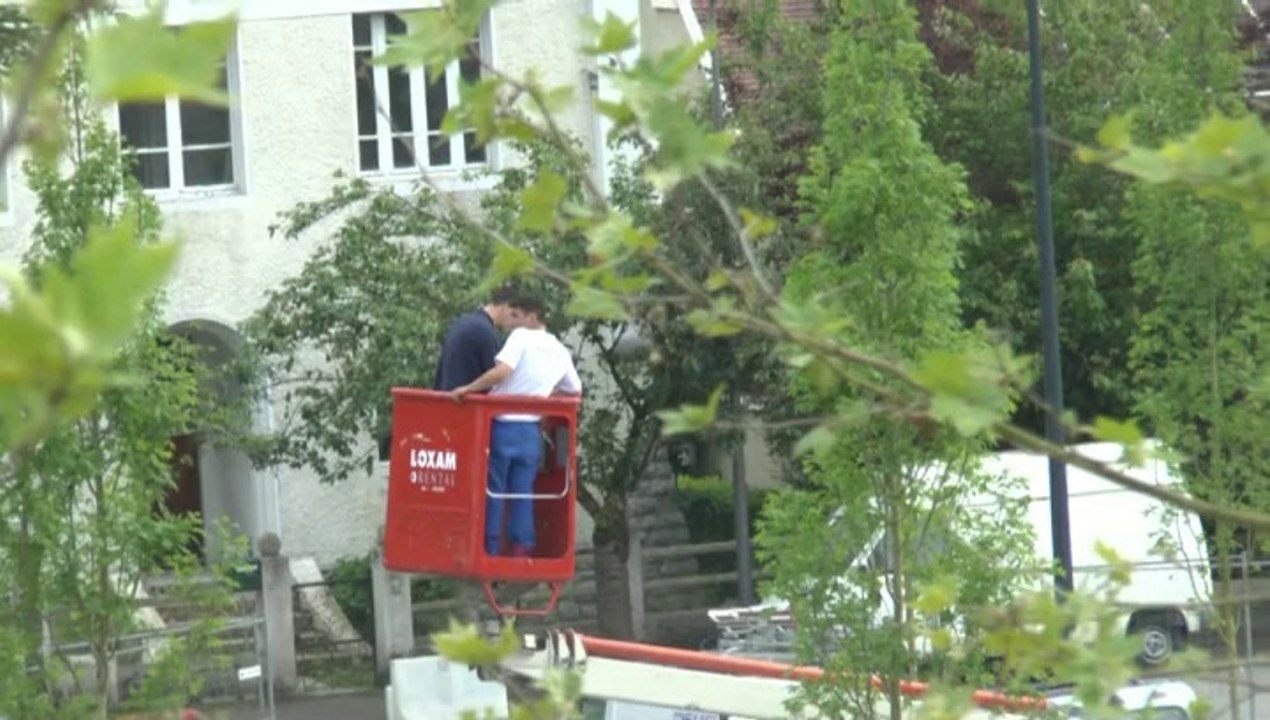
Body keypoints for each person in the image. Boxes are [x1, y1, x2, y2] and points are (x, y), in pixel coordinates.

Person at [451, 292, 582, 558]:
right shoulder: (559, 349)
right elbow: (575, 390)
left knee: (494, 491)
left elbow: (503, 371)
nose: (514, 322)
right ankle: (521, 551)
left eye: (519, 316)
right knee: (523, 492)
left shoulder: (522, 338)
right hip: (530, 432)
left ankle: (489, 549)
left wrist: (468, 388)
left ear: (532, 316)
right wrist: (543, 397)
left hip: (502, 427)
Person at [433, 284, 521, 392]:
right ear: (506, 307)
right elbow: (496, 376)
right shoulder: (484, 332)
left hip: (446, 398)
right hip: (465, 402)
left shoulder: (463, 322)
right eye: (515, 315)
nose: (515, 322)